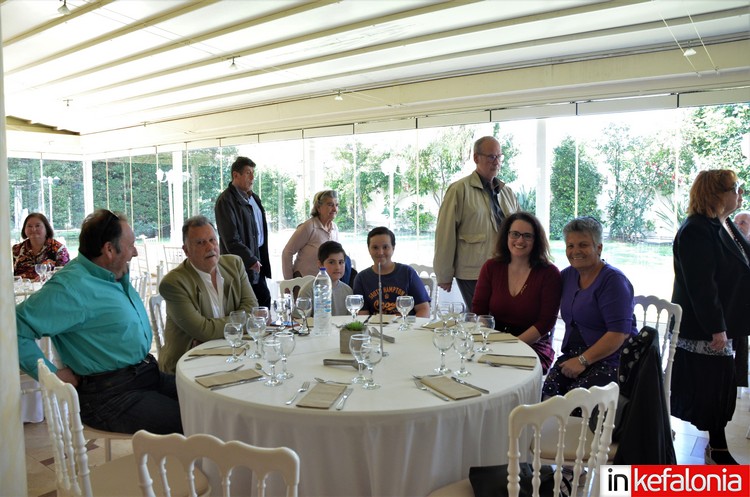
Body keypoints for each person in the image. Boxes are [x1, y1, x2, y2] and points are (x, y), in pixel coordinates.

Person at [16, 209, 182, 434]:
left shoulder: (113, 273)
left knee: (209, 401)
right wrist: (52, 375)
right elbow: (14, 328)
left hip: (145, 375)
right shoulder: (71, 288)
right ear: (109, 249)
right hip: (110, 396)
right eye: (131, 245)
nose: (135, 252)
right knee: (196, 419)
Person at [671, 170, 749, 465]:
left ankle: (716, 447)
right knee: (712, 389)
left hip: (727, 321)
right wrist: (717, 328)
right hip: (705, 327)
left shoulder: (723, 224)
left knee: (720, 387)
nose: (740, 193)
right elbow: (702, 285)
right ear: (716, 193)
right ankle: (717, 450)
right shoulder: (696, 229)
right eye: (735, 188)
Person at [542, 216, 637, 399]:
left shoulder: (613, 281)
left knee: (578, 400)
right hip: (575, 354)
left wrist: (582, 361)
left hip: (613, 359)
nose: (575, 251)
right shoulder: (567, 276)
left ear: (598, 248)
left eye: (583, 245)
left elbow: (618, 334)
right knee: (549, 394)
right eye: (570, 246)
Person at [158, 216, 258, 373]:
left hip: (232, 357)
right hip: (187, 367)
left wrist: (211, 333)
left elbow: (252, 309)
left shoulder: (234, 265)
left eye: (212, 240)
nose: (210, 247)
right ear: (186, 250)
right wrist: (241, 324)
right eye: (200, 243)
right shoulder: (174, 283)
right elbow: (203, 330)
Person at [433, 136, 519, 307]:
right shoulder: (459, 190)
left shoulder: (507, 192)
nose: (496, 162)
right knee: (481, 316)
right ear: (476, 158)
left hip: (506, 268)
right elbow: (445, 234)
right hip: (473, 272)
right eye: (491, 156)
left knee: (500, 315)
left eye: (499, 156)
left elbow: (521, 230)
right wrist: (444, 274)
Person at [472, 212, 562, 373]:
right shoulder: (491, 267)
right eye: (515, 234)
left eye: (527, 236)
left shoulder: (549, 273)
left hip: (533, 344)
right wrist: (489, 340)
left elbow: (546, 322)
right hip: (494, 339)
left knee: (506, 373)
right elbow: (479, 310)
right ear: (506, 236)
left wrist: (512, 345)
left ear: (536, 240)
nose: (520, 240)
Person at [215, 156, 272, 308]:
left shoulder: (254, 198)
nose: (252, 177)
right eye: (248, 173)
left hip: (257, 258)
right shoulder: (226, 201)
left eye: (253, 173)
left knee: (263, 301)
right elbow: (231, 239)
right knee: (254, 304)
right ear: (236, 175)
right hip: (242, 265)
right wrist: (250, 259)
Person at [353, 227, 430, 317]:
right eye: (375, 247)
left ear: (393, 248)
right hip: (374, 325)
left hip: (406, 324)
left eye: (385, 247)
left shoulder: (408, 273)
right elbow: (362, 316)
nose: (380, 252)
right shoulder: (361, 278)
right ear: (369, 249)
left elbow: (424, 309)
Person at [282, 190, 340, 279]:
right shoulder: (309, 227)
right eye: (330, 205)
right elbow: (287, 253)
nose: (335, 209)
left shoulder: (334, 228)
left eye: (336, 205)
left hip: (324, 283)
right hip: (303, 283)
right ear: (318, 208)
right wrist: (289, 282)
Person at [298, 241, 353, 316]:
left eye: (341, 262)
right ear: (320, 264)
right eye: (331, 262)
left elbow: (350, 320)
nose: (337, 267)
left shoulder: (348, 291)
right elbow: (299, 320)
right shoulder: (308, 290)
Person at [12, 212, 70, 281]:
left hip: (49, 286)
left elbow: (66, 274)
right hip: (21, 287)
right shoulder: (16, 250)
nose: (33, 229)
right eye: (29, 226)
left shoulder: (59, 249)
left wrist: (49, 277)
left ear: (46, 228)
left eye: (37, 226)